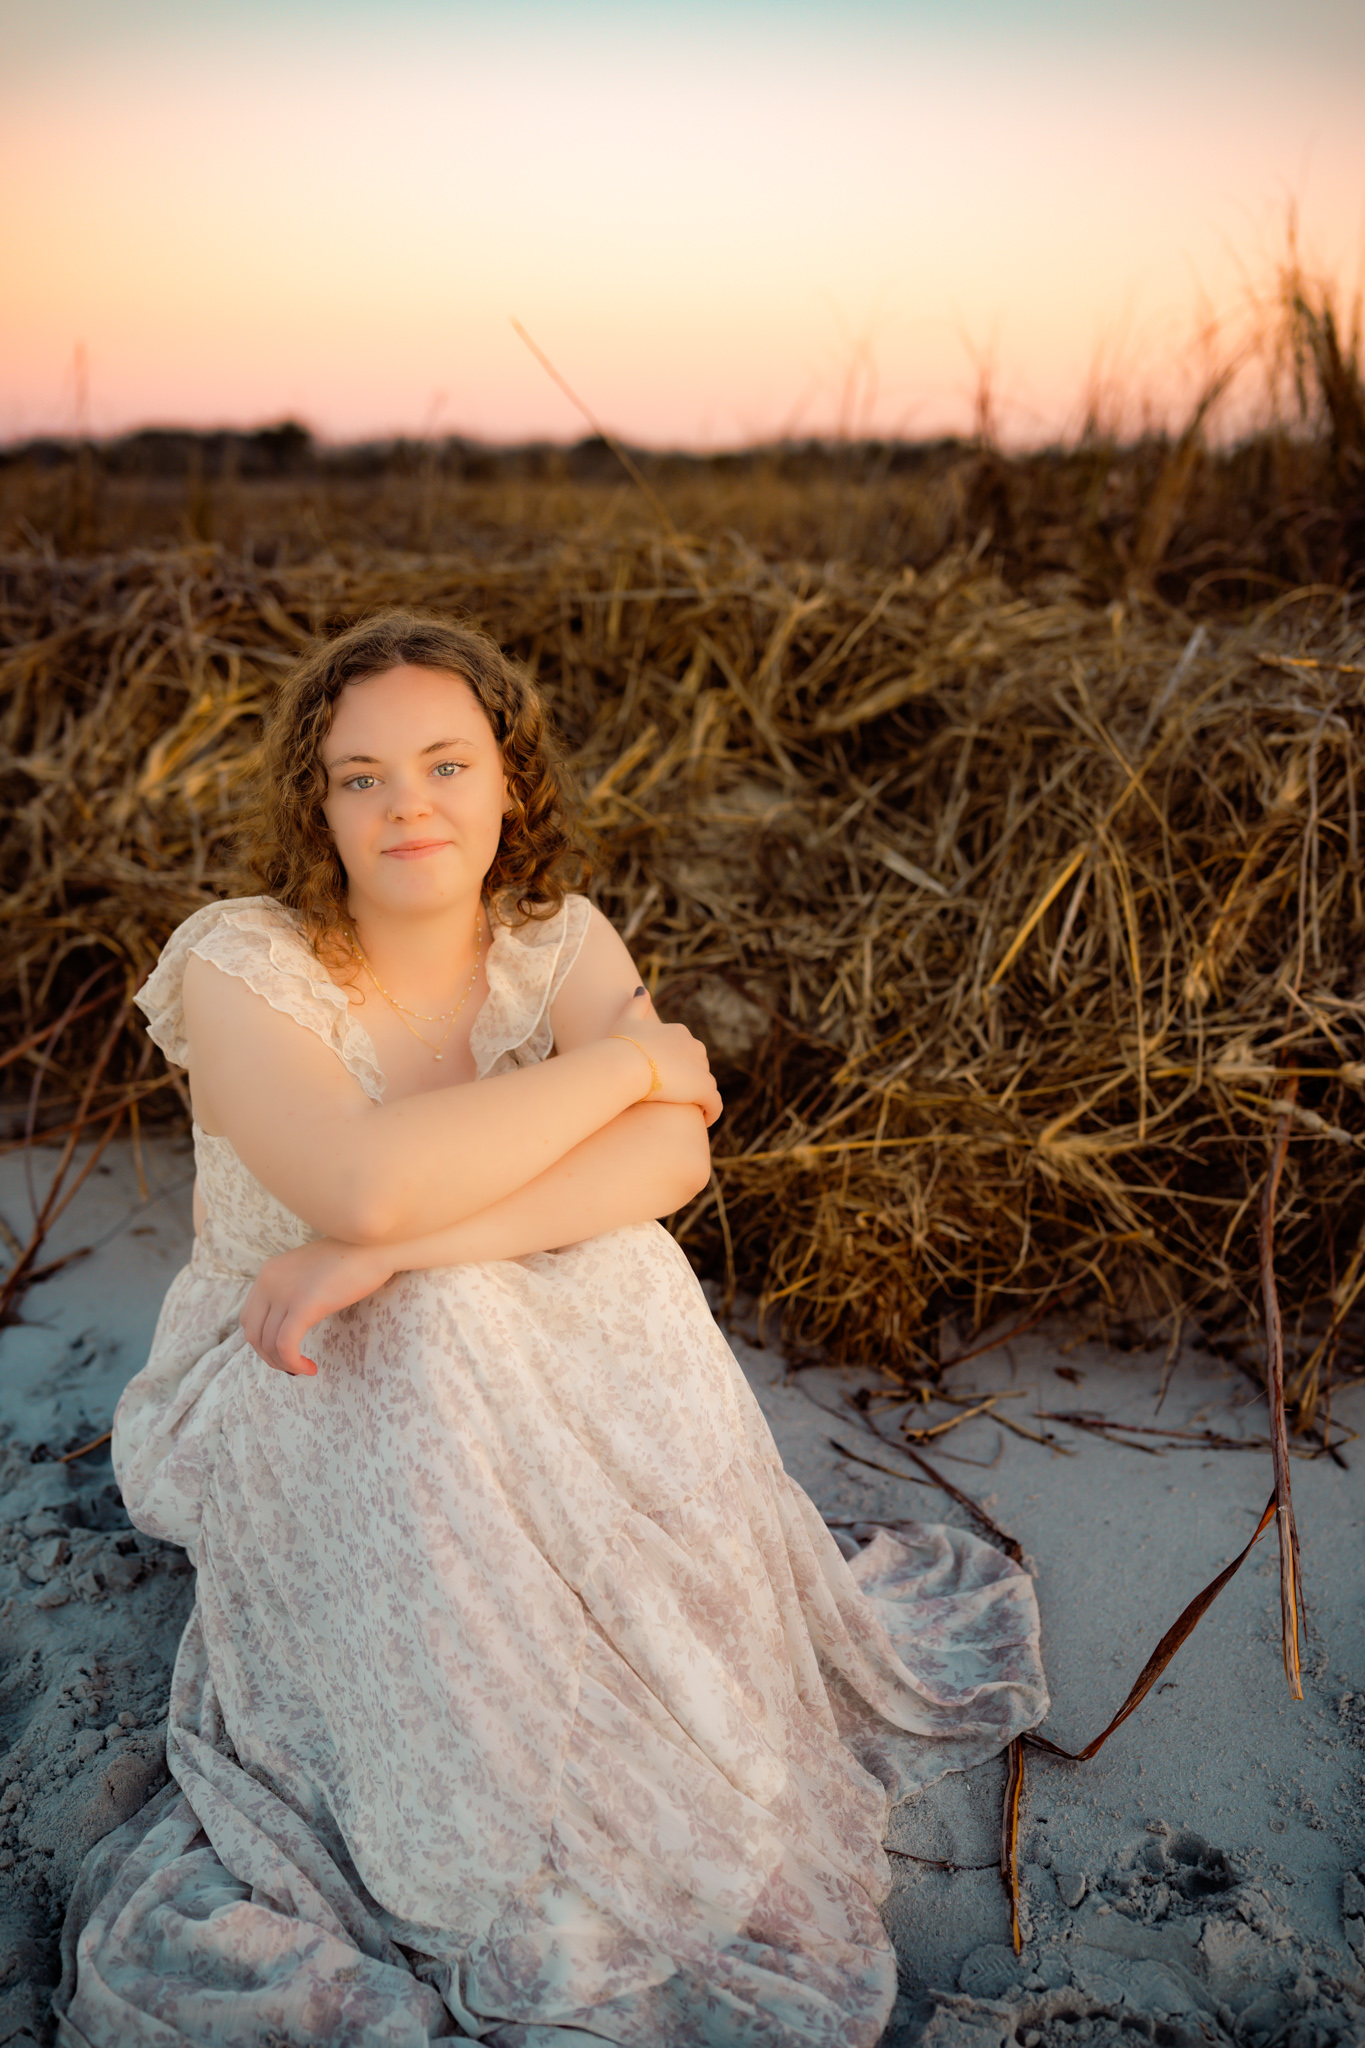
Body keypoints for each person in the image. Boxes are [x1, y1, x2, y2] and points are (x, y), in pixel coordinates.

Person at [56, 610, 1046, 2048]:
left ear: (509, 782)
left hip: (466, 1315)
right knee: (452, 1312)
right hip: (272, 1368)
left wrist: (394, 1252)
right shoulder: (242, 960)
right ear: (313, 806)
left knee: (609, 1267)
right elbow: (364, 1179)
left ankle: (626, 1736)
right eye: (362, 776)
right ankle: (489, 1810)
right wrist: (637, 1061)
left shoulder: (556, 938)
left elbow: (668, 1168)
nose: (409, 803)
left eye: (449, 764)